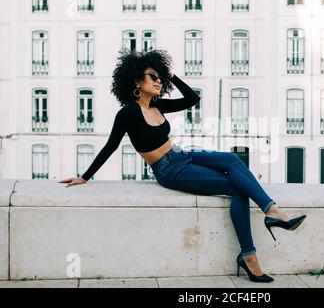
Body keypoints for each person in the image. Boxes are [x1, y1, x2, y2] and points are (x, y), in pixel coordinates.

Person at [58, 48, 306, 283]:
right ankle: (250, 253)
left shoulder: (158, 105)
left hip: (181, 155)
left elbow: (192, 98)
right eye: (153, 76)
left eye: (159, 77)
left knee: (232, 160)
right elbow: (110, 146)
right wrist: (85, 176)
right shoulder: (128, 114)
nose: (158, 81)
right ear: (136, 81)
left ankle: (270, 212)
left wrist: (170, 75)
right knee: (236, 188)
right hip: (169, 170)